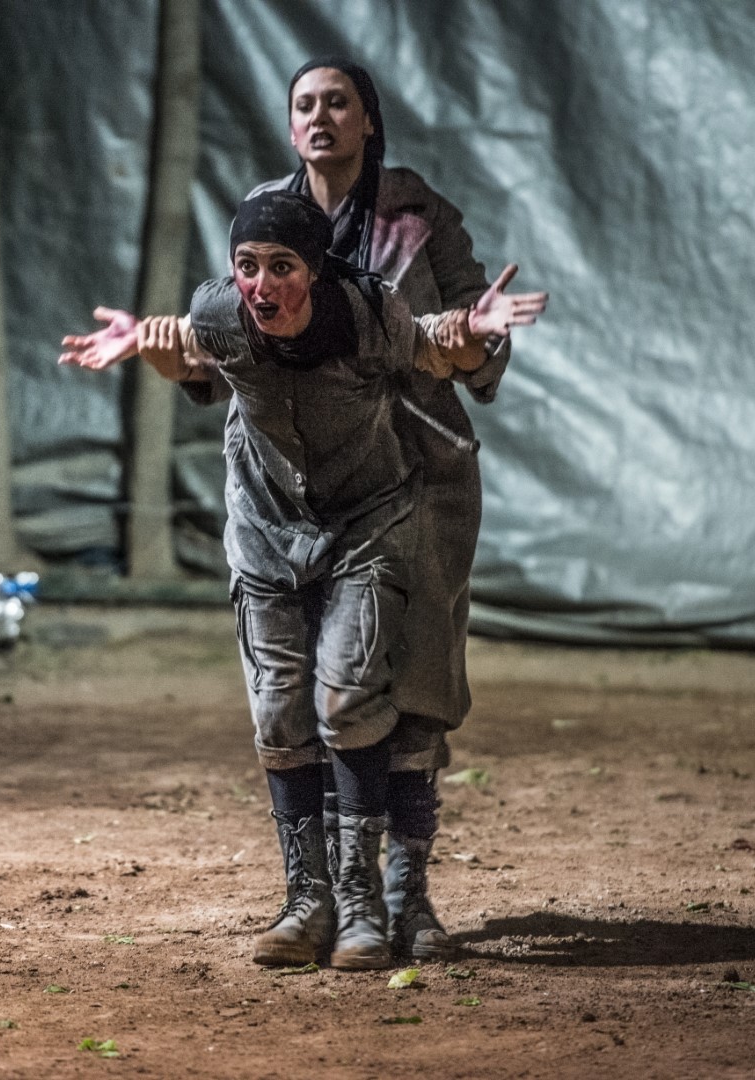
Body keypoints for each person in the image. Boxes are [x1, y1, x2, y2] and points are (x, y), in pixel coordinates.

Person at [59, 190, 545, 969]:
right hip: (265, 531)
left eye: (281, 267)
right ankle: (306, 898)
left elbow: (432, 349)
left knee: (347, 698)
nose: (262, 285)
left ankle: (360, 899)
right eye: (247, 266)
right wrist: (148, 346)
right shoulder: (220, 311)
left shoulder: (367, 313)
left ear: (315, 272)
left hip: (367, 525)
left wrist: (467, 334)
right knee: (279, 715)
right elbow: (189, 353)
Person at [261, 57, 520, 961]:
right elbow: (235, 338)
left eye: (339, 102)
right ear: (290, 125)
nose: (321, 116)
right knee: (308, 696)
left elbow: (480, 349)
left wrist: (472, 338)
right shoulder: (269, 216)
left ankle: (407, 897)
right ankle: (327, 899)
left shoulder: (419, 214)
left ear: (369, 120)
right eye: (305, 104)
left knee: (412, 694)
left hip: (421, 473)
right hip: (306, 490)